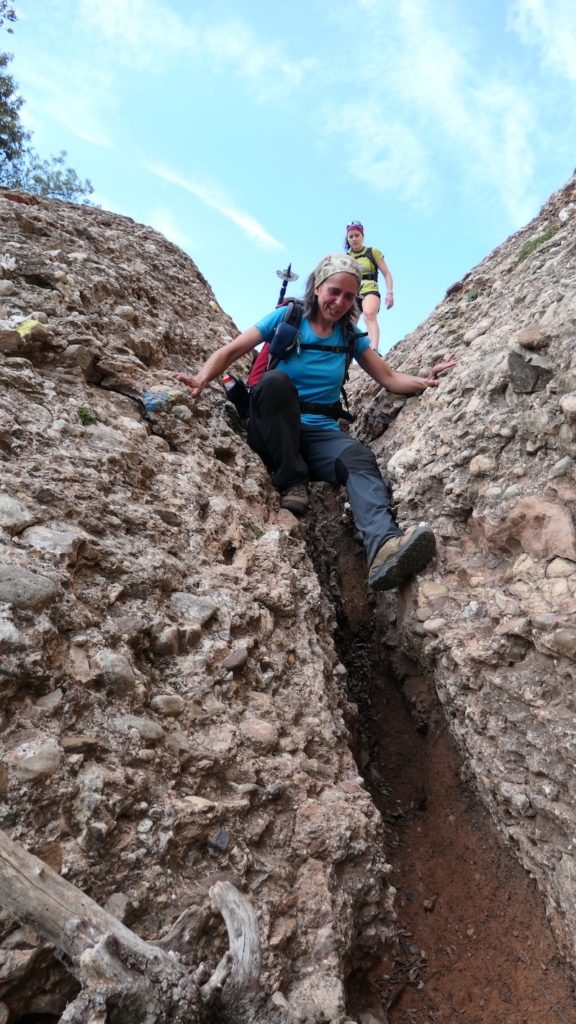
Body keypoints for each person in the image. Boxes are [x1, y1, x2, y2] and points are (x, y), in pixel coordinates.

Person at [176, 253, 455, 591]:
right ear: (318, 287)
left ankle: (384, 549)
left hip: (320, 434)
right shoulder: (289, 317)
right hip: (273, 432)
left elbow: (390, 378)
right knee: (275, 383)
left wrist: (428, 382)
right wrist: (202, 377)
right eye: (334, 291)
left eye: (349, 296)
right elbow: (232, 351)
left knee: (358, 457)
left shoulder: (350, 337)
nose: (339, 302)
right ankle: (292, 480)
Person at [345, 220, 393, 352]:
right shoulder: (346, 257)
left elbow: (387, 274)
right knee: (349, 324)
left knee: (369, 314)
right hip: (353, 292)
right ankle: (348, 354)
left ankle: (374, 350)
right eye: (351, 236)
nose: (354, 239)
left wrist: (390, 293)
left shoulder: (373, 252)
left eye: (356, 235)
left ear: (362, 236)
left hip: (370, 288)